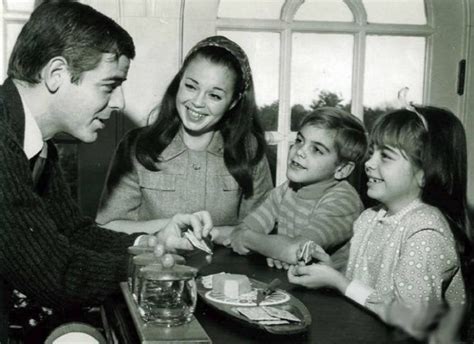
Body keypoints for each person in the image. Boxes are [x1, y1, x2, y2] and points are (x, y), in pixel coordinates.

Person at [0, 2, 212, 342]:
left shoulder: (34, 142)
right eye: (109, 85)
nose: (119, 102)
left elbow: (74, 232)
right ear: (57, 74)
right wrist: (149, 267)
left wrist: (151, 243)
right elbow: (58, 275)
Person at [288, 106, 471, 342]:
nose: (369, 163)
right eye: (372, 152)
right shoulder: (370, 218)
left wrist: (338, 282)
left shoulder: (427, 231)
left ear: (425, 172)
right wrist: (331, 271)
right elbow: (367, 290)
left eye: (385, 156)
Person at [96, 35, 273, 241]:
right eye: (191, 86)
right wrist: (167, 228)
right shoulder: (137, 145)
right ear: (179, 83)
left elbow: (259, 231)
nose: (197, 102)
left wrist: (211, 234)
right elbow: (108, 227)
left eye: (214, 95)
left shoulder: (250, 150)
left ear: (233, 102)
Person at [230, 107, 367, 268]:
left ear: (342, 169)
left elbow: (298, 250)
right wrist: (274, 248)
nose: (300, 151)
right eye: (299, 140)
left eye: (316, 149)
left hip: (329, 291)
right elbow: (242, 230)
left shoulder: (343, 200)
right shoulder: (287, 189)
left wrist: (251, 240)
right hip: (292, 283)